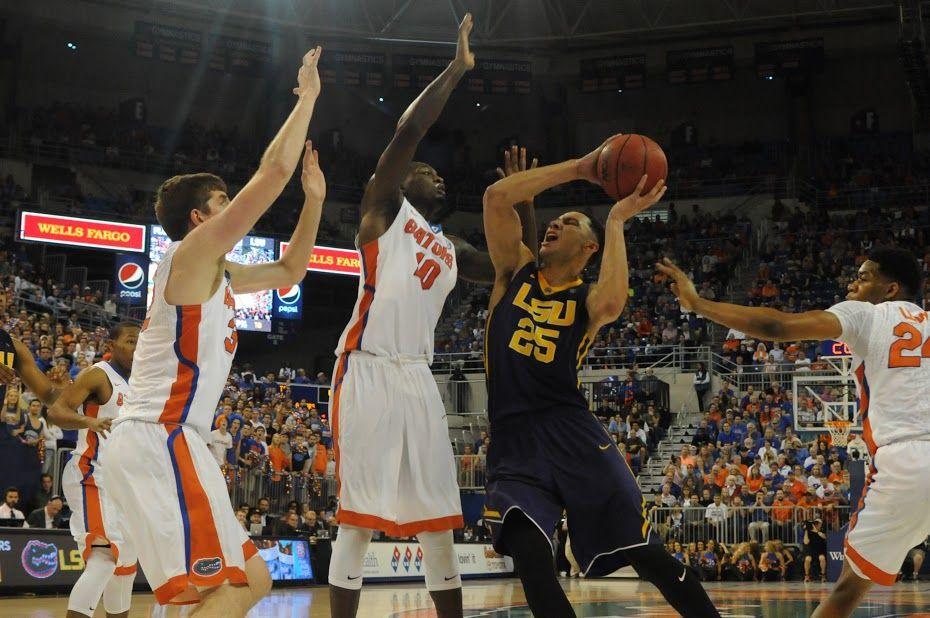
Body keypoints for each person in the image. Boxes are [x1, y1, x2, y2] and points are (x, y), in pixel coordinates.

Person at [101, 46, 325, 614]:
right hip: (162, 432)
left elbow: (290, 270)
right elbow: (273, 173)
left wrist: (315, 202)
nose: (233, 210)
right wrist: (308, 99)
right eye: (223, 202)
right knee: (227, 588)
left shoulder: (220, 275)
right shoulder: (190, 253)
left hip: (176, 440)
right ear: (200, 219)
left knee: (253, 580)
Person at [326, 16, 534, 618]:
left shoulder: (450, 248)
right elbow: (410, 129)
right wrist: (458, 69)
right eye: (427, 170)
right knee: (359, 519)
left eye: (438, 175)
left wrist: (523, 199)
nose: (437, 173)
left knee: (439, 520)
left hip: (418, 377)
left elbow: (516, 267)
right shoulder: (382, 210)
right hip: (365, 367)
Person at [480, 146, 718, 618]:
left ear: (589, 248)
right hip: (514, 438)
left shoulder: (587, 299)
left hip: (571, 431)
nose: (555, 223)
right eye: (555, 220)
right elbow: (494, 198)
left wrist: (614, 221)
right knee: (529, 553)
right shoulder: (514, 272)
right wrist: (580, 169)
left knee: (643, 552)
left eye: (569, 221)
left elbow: (613, 302)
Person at [657, 246, 930, 616]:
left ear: (891, 289)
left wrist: (696, 302)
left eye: (864, 277)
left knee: (846, 592)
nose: (852, 284)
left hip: (905, 462)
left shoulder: (867, 314)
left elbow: (776, 327)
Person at [50, 322, 139, 618]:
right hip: (92, 473)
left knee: (125, 566)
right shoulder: (98, 375)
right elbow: (57, 411)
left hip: (125, 482)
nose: (137, 346)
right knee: (104, 557)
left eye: (141, 341)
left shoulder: (142, 382)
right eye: (130, 341)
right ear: (112, 345)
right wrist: (88, 422)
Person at [804, 518, 828, 583]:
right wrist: (806, 530)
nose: (816, 524)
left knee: (822, 558)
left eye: (818, 523)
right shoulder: (809, 532)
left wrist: (816, 531)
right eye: (815, 523)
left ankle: (823, 575)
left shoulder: (822, 531)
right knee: (807, 559)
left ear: (821, 524)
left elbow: (824, 537)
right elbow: (806, 542)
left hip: (820, 551)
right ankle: (807, 576)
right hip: (811, 551)